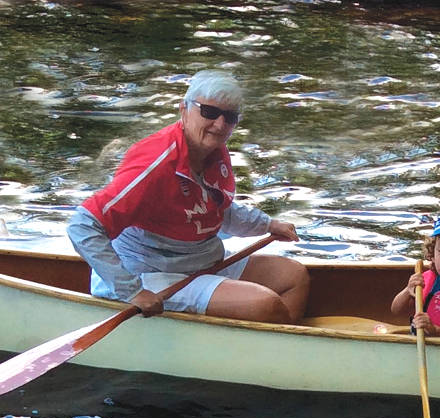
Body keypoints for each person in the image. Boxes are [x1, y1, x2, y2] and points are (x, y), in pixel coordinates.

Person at [67, 70, 309, 324]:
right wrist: (132, 291)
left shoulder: (213, 152)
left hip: (201, 261)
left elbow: (217, 208)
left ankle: (280, 349)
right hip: (150, 273)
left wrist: (268, 225)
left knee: (294, 276)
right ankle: (273, 350)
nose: (220, 125)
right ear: (184, 109)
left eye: (230, 117)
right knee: (265, 304)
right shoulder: (154, 164)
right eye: (209, 112)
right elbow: (83, 227)